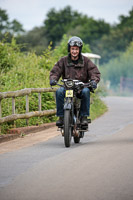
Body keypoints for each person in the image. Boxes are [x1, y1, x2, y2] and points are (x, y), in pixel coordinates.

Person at [50, 36, 100, 126]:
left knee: (86, 92)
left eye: (76, 49)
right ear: (69, 49)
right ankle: (61, 117)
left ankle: (84, 116)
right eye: (72, 49)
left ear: (79, 50)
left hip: (81, 88)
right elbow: (55, 71)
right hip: (67, 87)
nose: (74, 51)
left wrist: (94, 81)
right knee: (59, 92)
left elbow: (94, 72)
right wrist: (53, 79)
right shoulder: (63, 60)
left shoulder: (86, 61)